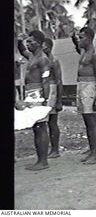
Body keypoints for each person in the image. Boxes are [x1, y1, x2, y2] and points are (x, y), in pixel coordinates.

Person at [17, 31, 51, 170]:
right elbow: (22, 49)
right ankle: (40, 160)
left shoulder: (42, 59)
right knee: (36, 127)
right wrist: (19, 40)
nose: (28, 44)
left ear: (39, 43)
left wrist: (44, 98)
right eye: (28, 41)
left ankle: (43, 161)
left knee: (40, 127)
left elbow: (46, 79)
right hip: (30, 93)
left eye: (31, 42)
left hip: (38, 93)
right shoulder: (31, 56)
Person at [73, 27, 96, 165]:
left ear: (89, 38)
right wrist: (73, 38)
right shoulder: (83, 52)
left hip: (90, 87)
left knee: (93, 120)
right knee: (87, 120)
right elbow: (76, 44)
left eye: (81, 38)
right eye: (78, 38)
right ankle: (92, 150)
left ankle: (95, 154)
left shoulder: (95, 55)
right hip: (82, 85)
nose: (79, 40)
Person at [43, 38, 63, 158]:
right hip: (43, 90)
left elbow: (59, 80)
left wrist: (59, 100)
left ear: (49, 47)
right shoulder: (42, 60)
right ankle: (47, 148)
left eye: (44, 46)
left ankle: (55, 150)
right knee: (42, 121)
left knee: (52, 121)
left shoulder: (54, 61)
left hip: (52, 89)